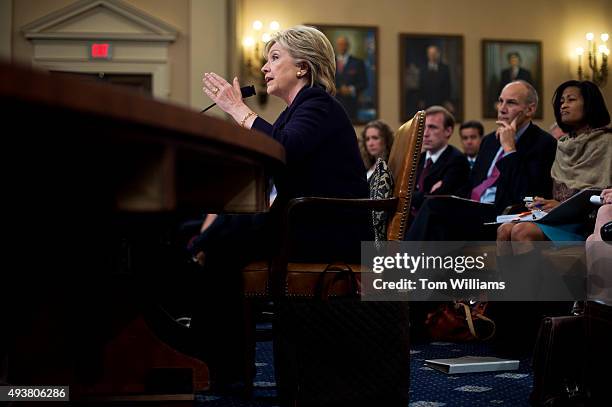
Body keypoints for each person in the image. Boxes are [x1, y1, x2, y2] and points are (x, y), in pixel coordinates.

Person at [194, 25, 370, 388]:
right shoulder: (296, 110)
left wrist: (235, 108)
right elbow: (275, 153)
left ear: (303, 67)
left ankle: (221, 365)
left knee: (212, 242)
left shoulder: (318, 104)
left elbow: (284, 149)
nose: (265, 68)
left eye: (275, 58)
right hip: (304, 219)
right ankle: (221, 362)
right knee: (208, 234)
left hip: (324, 228)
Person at [405, 80, 557, 241]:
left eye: (511, 103)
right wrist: (451, 196)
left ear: (530, 109)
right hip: (474, 208)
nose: (502, 109)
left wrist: (510, 149)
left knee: (432, 208)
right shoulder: (490, 140)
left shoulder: (543, 143)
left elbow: (526, 193)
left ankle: (404, 262)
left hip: (502, 213)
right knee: (435, 210)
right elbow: (472, 183)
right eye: (500, 101)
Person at [497, 80, 611, 249]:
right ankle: (509, 277)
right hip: (560, 219)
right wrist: (545, 203)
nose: (563, 106)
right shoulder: (563, 144)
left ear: (589, 104)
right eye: (562, 101)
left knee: (522, 232)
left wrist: (561, 206)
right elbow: (556, 197)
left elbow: (602, 195)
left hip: (591, 222)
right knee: (504, 229)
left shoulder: (606, 142)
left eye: (571, 100)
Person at [410, 106, 470, 217]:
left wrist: (412, 196)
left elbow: (435, 201)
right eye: (423, 127)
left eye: (432, 127)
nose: (425, 133)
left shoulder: (457, 160)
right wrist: (422, 195)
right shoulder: (417, 159)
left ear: (448, 131)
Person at [334, 36, 368, 121]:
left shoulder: (358, 63)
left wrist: (351, 89)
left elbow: (364, 82)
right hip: (333, 102)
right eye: (340, 44)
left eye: (344, 44)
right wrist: (337, 89)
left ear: (348, 46)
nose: (342, 47)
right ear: (337, 46)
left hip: (351, 105)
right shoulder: (330, 62)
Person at [417, 45, 453, 114]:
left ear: (438, 54)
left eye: (434, 53)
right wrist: (420, 100)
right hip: (426, 103)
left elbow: (448, 86)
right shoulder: (423, 69)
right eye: (430, 54)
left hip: (441, 103)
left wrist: (447, 101)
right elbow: (420, 86)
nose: (432, 56)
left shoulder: (445, 68)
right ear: (428, 55)